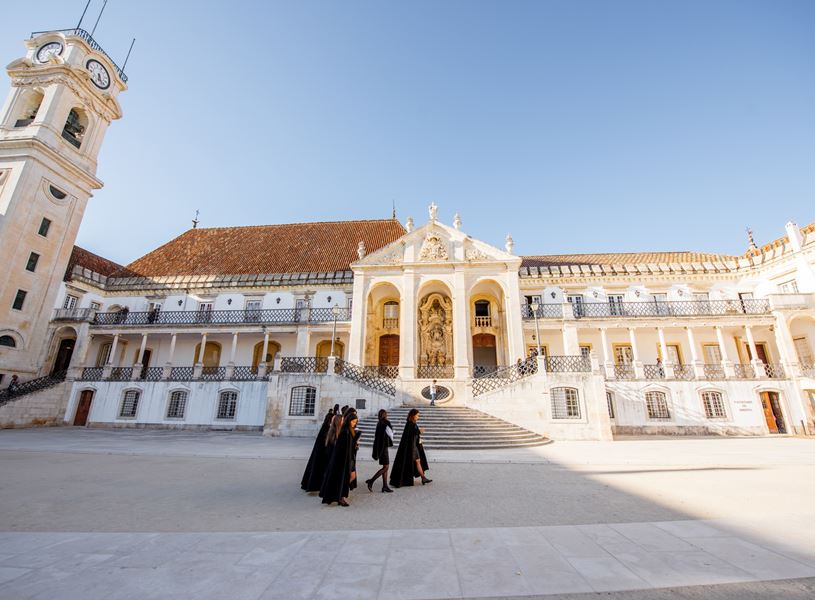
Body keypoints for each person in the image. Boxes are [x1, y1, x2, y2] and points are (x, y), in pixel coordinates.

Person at [320, 409, 359, 506]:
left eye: (355, 422)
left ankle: (339, 494)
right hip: (343, 460)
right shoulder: (345, 432)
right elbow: (341, 448)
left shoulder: (348, 431)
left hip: (347, 459)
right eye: (353, 422)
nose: (354, 424)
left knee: (349, 477)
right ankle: (340, 497)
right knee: (345, 477)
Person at [389, 408, 431, 487]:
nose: (418, 417)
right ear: (413, 415)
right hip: (411, 448)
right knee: (417, 461)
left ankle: (423, 478)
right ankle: (423, 478)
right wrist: (419, 431)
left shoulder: (413, 423)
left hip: (414, 446)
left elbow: (414, 435)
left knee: (418, 461)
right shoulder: (409, 424)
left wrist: (419, 436)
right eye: (417, 415)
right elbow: (410, 435)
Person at [300, 409, 334, 492]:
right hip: (322, 454)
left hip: (321, 453)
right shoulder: (326, 429)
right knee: (319, 470)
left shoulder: (325, 427)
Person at [365, 409, 394, 493]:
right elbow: (390, 433)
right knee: (386, 467)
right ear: (385, 415)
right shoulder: (385, 422)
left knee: (385, 467)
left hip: (380, 447)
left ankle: (385, 486)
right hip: (384, 448)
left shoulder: (379, 423)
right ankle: (371, 481)